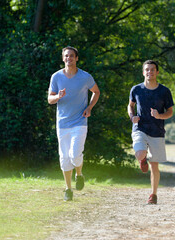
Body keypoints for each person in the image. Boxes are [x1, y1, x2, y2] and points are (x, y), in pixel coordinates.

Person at [48, 46, 100, 201]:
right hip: (62, 123)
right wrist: (58, 96)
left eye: (71, 56)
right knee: (64, 158)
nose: (69, 58)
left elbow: (96, 92)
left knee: (74, 155)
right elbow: (50, 99)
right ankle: (68, 189)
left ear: (76, 58)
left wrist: (89, 107)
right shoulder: (56, 77)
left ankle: (79, 174)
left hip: (80, 121)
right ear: (63, 58)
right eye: (66, 56)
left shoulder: (85, 77)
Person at [127, 60, 174, 204]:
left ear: (157, 72)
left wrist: (159, 115)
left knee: (154, 165)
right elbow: (130, 106)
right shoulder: (136, 89)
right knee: (140, 152)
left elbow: (170, 112)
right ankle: (142, 158)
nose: (150, 72)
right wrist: (132, 116)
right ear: (143, 72)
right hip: (140, 128)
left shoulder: (164, 91)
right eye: (147, 70)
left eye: (152, 70)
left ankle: (153, 195)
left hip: (157, 131)